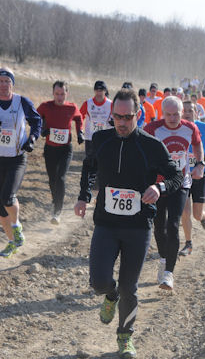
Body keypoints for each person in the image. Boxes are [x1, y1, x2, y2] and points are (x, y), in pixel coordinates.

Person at [74, 88, 183, 359]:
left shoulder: (151, 145)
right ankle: (109, 297)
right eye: (117, 117)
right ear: (112, 115)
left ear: (138, 115)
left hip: (138, 226)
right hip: (106, 224)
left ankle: (125, 338)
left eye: (127, 117)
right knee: (100, 282)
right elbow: (89, 167)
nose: (121, 123)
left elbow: (175, 177)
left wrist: (159, 187)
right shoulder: (101, 139)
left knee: (129, 287)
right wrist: (83, 197)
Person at [0, 68, 41, 258]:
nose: (4, 85)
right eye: (1, 81)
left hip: (17, 158)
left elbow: (37, 122)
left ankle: (17, 226)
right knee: (1, 207)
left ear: (12, 84)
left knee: (8, 197)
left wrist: (32, 139)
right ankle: (12, 242)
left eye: (7, 81)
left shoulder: (22, 102)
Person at [144, 96, 204, 290]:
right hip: (158, 185)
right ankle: (163, 259)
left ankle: (169, 274)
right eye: (168, 114)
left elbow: (197, 144)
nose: (172, 118)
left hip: (181, 182)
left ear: (182, 112)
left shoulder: (190, 128)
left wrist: (200, 163)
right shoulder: (152, 129)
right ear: (162, 114)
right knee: (159, 226)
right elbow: (141, 149)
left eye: (175, 114)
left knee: (173, 224)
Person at [179, 101, 205, 256]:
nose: (188, 113)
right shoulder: (177, 129)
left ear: (196, 113)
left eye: (191, 110)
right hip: (182, 175)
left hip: (199, 175)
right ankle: (188, 244)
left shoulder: (204, 128)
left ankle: (203, 217)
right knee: (185, 212)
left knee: (196, 214)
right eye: (185, 110)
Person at [37, 81, 83, 224]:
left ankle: (58, 210)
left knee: (61, 177)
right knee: (52, 179)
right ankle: (55, 201)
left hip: (65, 149)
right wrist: (41, 129)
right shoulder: (45, 106)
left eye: (62, 94)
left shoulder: (72, 107)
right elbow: (34, 118)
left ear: (66, 94)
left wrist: (79, 132)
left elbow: (79, 118)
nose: (59, 97)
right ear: (53, 93)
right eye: (57, 94)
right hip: (50, 149)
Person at [79, 80, 113, 196]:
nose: (99, 93)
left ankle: (100, 189)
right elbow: (80, 116)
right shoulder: (88, 103)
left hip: (105, 139)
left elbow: (117, 116)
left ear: (105, 91)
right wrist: (80, 130)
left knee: (103, 164)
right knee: (90, 163)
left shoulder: (110, 104)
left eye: (101, 90)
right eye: (97, 90)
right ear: (94, 91)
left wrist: (114, 122)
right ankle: (91, 189)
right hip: (90, 138)